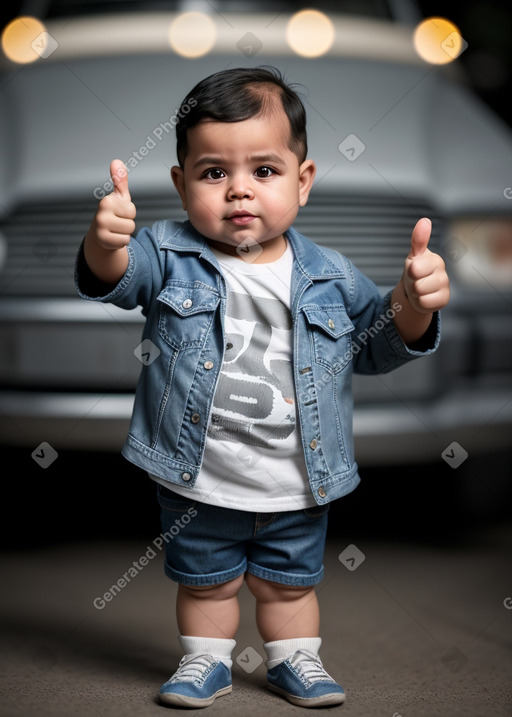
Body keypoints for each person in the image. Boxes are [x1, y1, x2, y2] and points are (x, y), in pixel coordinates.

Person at [75, 66, 450, 709]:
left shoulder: (330, 275)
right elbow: (117, 274)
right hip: (198, 476)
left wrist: (413, 303)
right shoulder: (168, 253)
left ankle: (295, 662)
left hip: (297, 480)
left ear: (303, 182)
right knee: (206, 585)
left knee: (290, 587)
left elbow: (380, 344)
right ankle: (204, 664)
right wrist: (104, 239)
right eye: (214, 172)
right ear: (181, 182)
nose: (239, 191)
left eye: (265, 172)